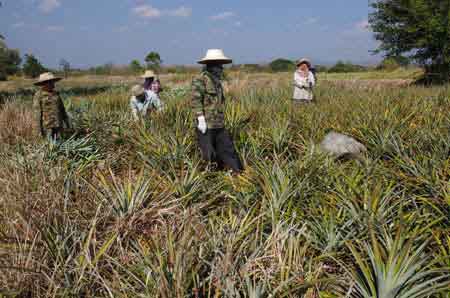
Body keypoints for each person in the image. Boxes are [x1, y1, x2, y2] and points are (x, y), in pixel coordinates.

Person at [191, 49, 244, 174]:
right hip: (206, 125)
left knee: (228, 149)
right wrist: (200, 118)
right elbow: (196, 100)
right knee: (208, 153)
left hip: (219, 123)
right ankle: (210, 177)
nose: (221, 69)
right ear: (212, 66)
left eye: (221, 65)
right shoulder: (200, 80)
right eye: (219, 66)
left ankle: (238, 172)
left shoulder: (217, 82)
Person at [32, 72, 71, 141]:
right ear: (44, 83)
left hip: (58, 126)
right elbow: (37, 114)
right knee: (49, 147)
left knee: (60, 145)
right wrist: (38, 132)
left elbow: (62, 110)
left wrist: (67, 124)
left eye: (53, 82)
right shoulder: (38, 95)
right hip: (47, 128)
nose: (53, 84)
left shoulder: (56, 94)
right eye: (50, 82)